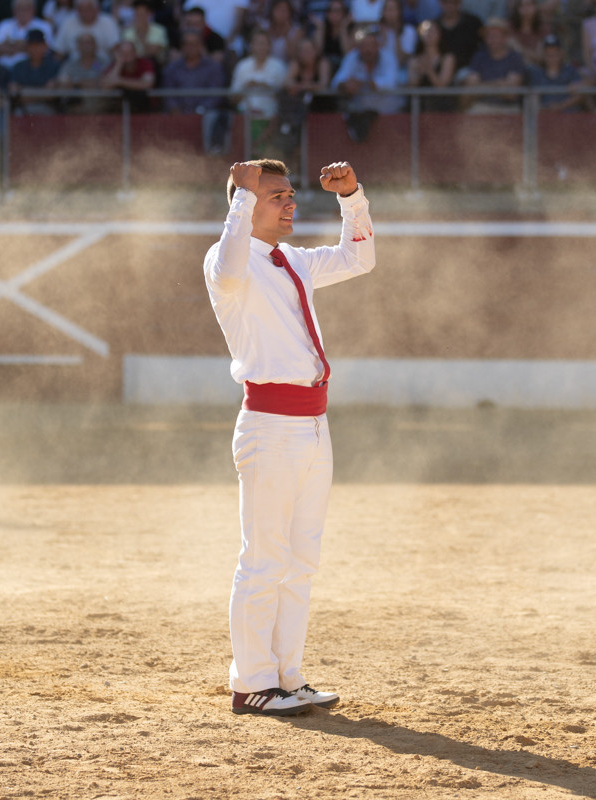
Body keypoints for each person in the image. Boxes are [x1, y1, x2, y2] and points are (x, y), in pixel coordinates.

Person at [203, 158, 375, 719]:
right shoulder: (228, 259)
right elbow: (229, 269)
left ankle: (287, 676)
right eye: (277, 195)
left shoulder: (292, 260)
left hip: (313, 423)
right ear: (248, 202)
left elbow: (359, 257)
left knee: (301, 559)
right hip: (270, 425)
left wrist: (352, 198)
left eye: (289, 193)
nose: (290, 202)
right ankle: (252, 682)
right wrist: (241, 197)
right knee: (264, 560)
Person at [163, 28, 229, 152]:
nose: (190, 47)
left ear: (201, 46)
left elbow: (216, 95)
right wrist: (176, 110)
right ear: (181, 47)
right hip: (178, 118)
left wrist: (199, 111)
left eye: (194, 44)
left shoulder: (214, 67)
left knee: (215, 118)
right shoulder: (172, 69)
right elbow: (168, 94)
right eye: (186, 44)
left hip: (206, 117)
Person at [333, 24, 402, 140]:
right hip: (360, 116)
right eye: (364, 45)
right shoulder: (352, 57)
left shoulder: (388, 58)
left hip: (388, 115)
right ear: (358, 47)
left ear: (378, 46)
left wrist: (361, 84)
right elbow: (337, 81)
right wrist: (345, 86)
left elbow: (389, 83)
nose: (367, 49)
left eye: (371, 45)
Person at [462, 16, 529, 110]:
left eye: (495, 36)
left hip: (508, 108)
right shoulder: (479, 57)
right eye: (488, 36)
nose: (491, 39)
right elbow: (471, 89)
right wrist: (500, 84)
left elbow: (511, 93)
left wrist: (482, 86)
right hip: (482, 106)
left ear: (505, 37)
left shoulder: (515, 57)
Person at [409, 17, 458, 109]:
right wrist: (419, 72)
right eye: (426, 31)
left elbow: (442, 86)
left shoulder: (448, 58)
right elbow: (412, 86)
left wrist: (429, 70)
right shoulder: (414, 59)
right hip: (420, 107)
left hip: (442, 107)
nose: (429, 34)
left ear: (440, 34)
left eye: (433, 31)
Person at [0, 0, 53, 69]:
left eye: (26, 8)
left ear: (33, 10)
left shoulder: (43, 26)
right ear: (13, 10)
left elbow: (46, 49)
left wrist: (9, 44)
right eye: (19, 8)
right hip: (3, 68)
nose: (22, 12)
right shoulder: (4, 24)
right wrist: (25, 45)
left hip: (29, 70)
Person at [9, 27, 59, 113]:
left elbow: (50, 95)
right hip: (23, 109)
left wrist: (25, 91)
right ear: (26, 47)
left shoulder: (54, 66)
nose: (35, 49)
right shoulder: (18, 66)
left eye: (38, 45)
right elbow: (14, 92)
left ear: (45, 46)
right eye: (31, 45)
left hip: (47, 109)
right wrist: (42, 93)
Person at [55, 31, 108, 111]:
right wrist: (85, 83)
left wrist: (77, 83)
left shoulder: (104, 63)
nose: (86, 46)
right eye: (82, 43)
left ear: (95, 45)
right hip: (74, 109)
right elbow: (62, 81)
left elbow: (107, 83)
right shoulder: (70, 64)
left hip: (99, 108)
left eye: (88, 42)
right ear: (78, 46)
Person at [53, 0, 121, 62]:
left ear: (97, 9)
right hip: (74, 67)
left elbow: (115, 50)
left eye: (88, 9)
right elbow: (59, 52)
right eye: (81, 10)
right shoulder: (68, 23)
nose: (85, 13)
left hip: (101, 65)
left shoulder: (108, 22)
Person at [529, 33, 584, 109]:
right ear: (544, 54)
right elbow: (534, 97)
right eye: (548, 53)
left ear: (561, 53)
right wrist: (545, 109)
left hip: (569, 115)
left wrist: (560, 106)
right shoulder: (537, 73)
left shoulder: (571, 71)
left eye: (555, 52)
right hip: (545, 116)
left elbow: (579, 95)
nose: (552, 56)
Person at [101, 38, 154, 112]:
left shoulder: (145, 63)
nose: (126, 56)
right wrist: (119, 63)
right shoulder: (114, 65)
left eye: (129, 53)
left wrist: (119, 81)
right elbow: (105, 87)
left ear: (135, 53)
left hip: (145, 108)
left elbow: (147, 83)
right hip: (119, 109)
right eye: (122, 53)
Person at [436, 0, 486, 71]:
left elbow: (485, 46)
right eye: (446, 2)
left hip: (470, 70)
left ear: (460, 3)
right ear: (440, 3)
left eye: (454, 2)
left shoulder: (473, 22)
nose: (450, 6)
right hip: (441, 71)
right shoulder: (435, 26)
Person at [121, 0, 168, 66]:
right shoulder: (127, 32)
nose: (139, 17)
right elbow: (126, 53)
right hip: (132, 65)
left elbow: (152, 53)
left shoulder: (159, 30)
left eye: (142, 14)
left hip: (154, 65)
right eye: (137, 14)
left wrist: (141, 33)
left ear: (149, 14)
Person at [313, 0, 354, 72]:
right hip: (324, 68)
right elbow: (317, 54)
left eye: (338, 11)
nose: (335, 14)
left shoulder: (351, 30)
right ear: (327, 14)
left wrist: (343, 29)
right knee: (324, 64)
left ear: (344, 13)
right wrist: (320, 29)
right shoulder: (322, 29)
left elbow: (348, 55)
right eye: (332, 11)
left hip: (344, 67)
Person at [509, 0, 551, 65]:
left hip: (537, 68)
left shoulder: (543, 29)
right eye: (522, 6)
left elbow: (541, 57)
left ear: (535, 7)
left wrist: (520, 49)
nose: (526, 9)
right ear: (517, 9)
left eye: (529, 5)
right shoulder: (511, 28)